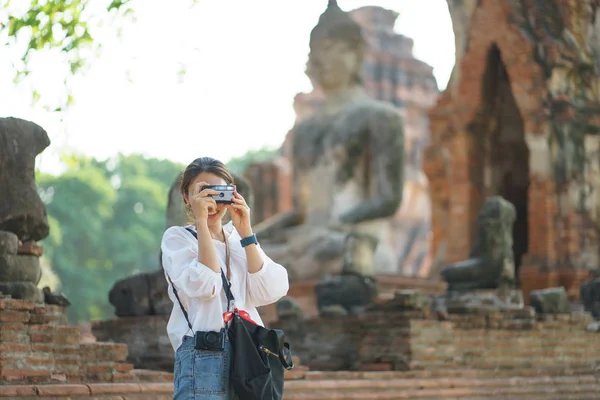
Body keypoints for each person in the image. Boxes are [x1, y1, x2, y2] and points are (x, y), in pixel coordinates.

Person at [160, 157, 290, 400]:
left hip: (249, 354)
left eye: (218, 191)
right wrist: (201, 222)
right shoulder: (178, 239)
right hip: (204, 354)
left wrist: (246, 232)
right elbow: (206, 285)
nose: (211, 200)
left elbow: (271, 290)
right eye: (202, 191)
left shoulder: (238, 240)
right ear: (186, 197)